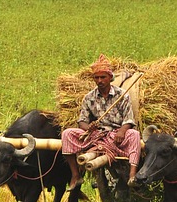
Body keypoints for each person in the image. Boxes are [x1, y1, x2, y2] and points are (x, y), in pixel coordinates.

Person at [60, 55, 141, 191]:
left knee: (134, 135)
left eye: (103, 77)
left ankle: (132, 175)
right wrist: (89, 128)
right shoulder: (89, 97)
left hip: (116, 136)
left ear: (110, 78)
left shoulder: (121, 95)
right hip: (96, 135)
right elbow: (82, 121)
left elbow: (129, 120)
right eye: (96, 78)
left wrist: (122, 131)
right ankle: (75, 175)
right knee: (67, 134)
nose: (100, 81)